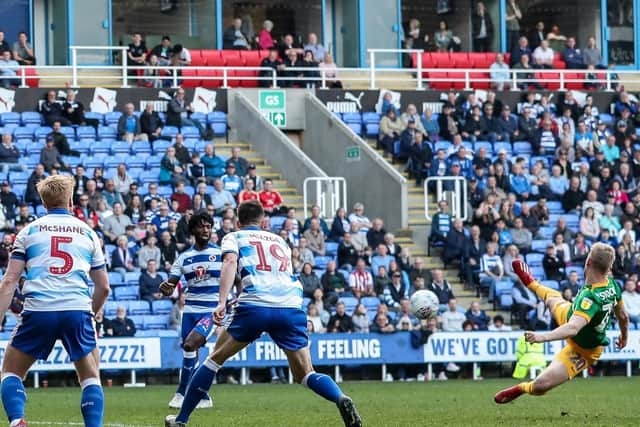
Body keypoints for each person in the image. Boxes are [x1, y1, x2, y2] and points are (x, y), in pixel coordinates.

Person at [164, 200, 362, 427]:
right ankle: (340, 397)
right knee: (305, 373)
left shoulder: (234, 236)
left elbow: (229, 262)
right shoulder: (280, 241)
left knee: (213, 359)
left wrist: (221, 302)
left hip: (255, 304)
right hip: (290, 305)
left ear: (238, 221)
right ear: (263, 221)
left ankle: (180, 421)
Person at [0, 175, 110, 427]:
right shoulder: (88, 232)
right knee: (91, 377)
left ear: (43, 202)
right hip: (77, 309)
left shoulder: (28, 231)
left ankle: (17, 420)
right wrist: (90, 314)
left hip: (39, 309)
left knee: (11, 372)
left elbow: (10, 281)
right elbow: (103, 287)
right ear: (70, 199)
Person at [494, 249, 629, 404]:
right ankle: (530, 281)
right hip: (571, 315)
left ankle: (522, 388)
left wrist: (542, 337)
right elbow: (623, 316)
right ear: (608, 269)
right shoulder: (613, 286)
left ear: (588, 262)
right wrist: (624, 336)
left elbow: (572, 329)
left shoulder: (591, 297)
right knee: (552, 300)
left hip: (583, 349)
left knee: (540, 385)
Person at [159, 210, 221, 410]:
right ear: (193, 229)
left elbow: (237, 280)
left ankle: (181, 393)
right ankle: (202, 396)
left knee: (189, 345)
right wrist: (165, 288)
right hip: (190, 310)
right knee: (189, 352)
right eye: (202, 226)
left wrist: (236, 299)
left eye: (209, 226)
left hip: (211, 310)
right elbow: (171, 285)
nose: (206, 229)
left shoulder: (221, 254)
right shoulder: (184, 258)